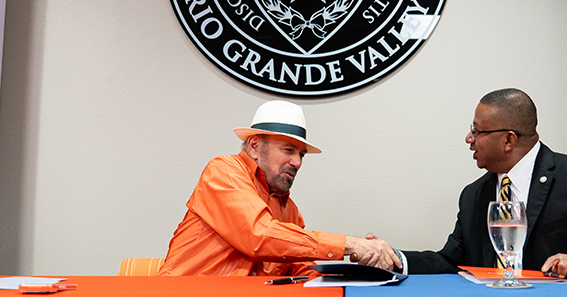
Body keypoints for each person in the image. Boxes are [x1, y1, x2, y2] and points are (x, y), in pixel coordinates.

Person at [379, 88, 567, 280]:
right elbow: (453, 262)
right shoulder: (474, 195)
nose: (469, 139)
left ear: (508, 140)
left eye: (476, 131)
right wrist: (393, 258)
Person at [158, 100, 400, 276]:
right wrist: (350, 244)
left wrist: (360, 269)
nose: (297, 162)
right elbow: (259, 236)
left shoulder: (289, 211)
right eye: (288, 150)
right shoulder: (224, 170)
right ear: (254, 146)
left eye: (301, 154)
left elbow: (304, 270)